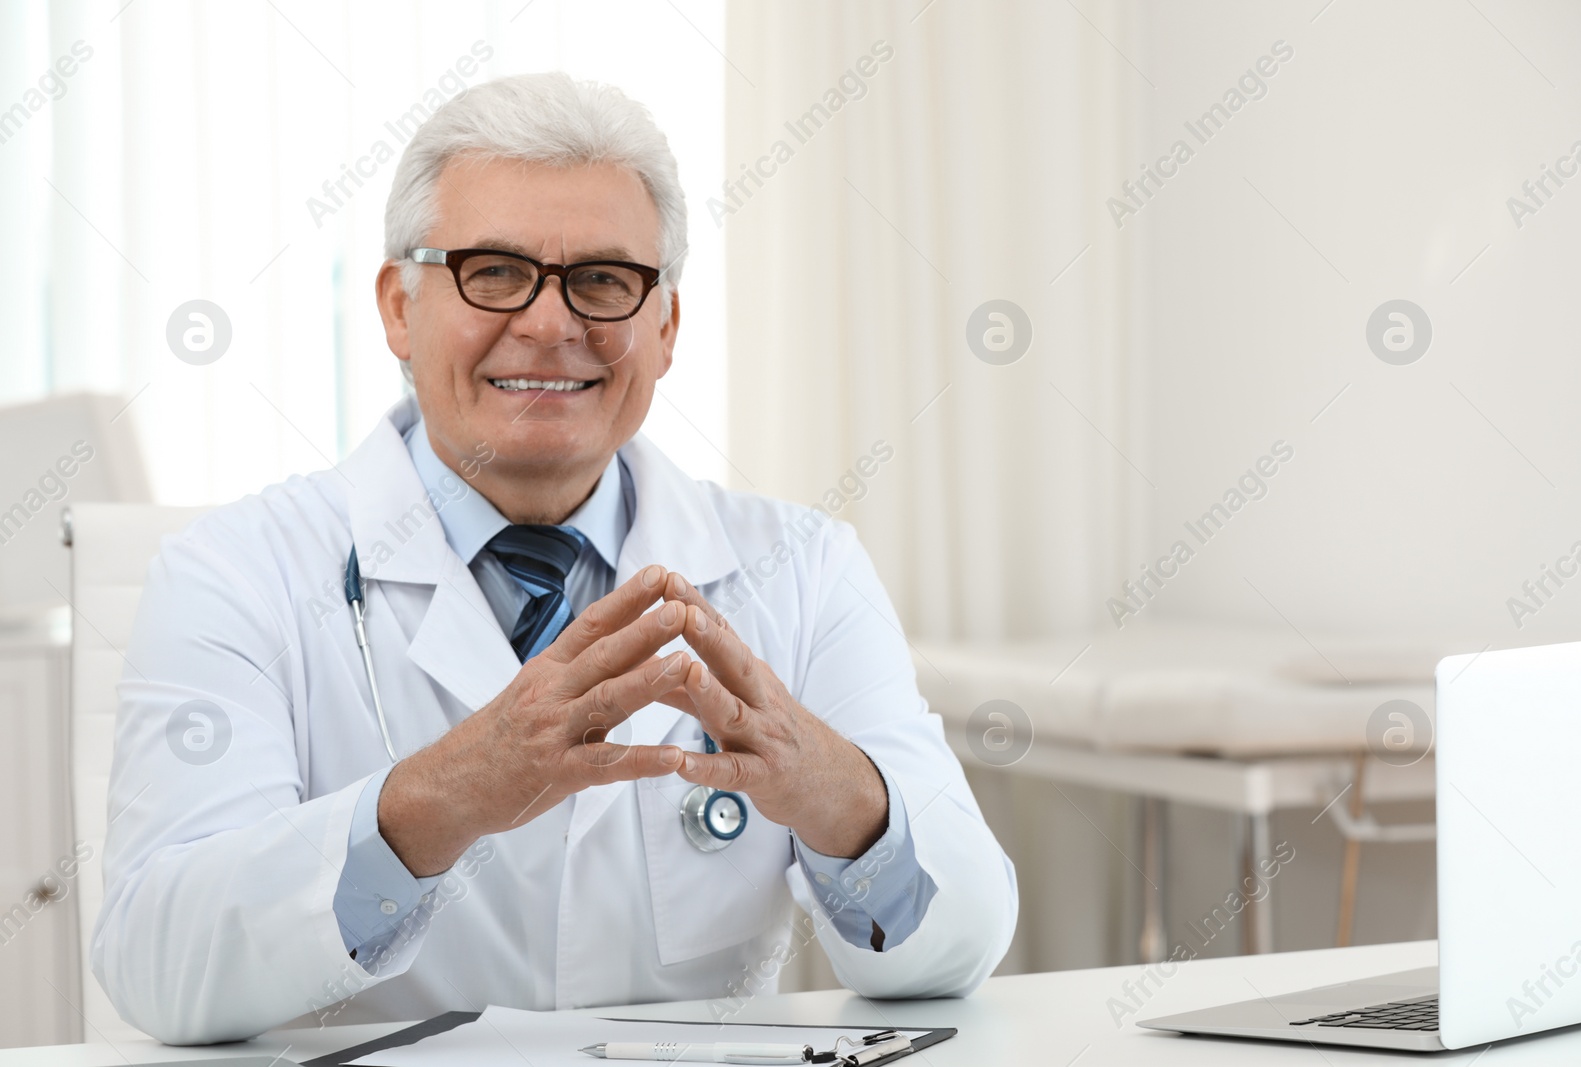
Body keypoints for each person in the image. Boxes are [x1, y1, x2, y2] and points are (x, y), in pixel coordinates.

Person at [93, 72, 1017, 1045]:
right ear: (398, 307)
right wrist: (436, 800)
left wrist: (844, 800)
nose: (548, 323)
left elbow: (962, 945)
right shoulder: (232, 574)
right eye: (493, 270)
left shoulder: (801, 569)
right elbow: (161, 963)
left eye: (604, 282)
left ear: (663, 329)